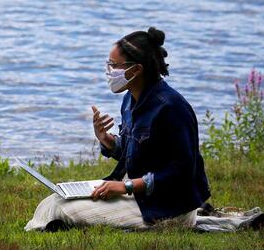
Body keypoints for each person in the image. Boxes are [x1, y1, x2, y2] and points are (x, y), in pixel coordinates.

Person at [25, 27, 211, 231]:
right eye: (108, 65)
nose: (109, 71)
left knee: (65, 210)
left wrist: (125, 186)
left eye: (114, 66)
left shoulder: (172, 107)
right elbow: (140, 151)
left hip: (168, 208)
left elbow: (182, 171)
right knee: (54, 201)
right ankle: (49, 227)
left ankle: (49, 229)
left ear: (136, 69)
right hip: (138, 196)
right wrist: (107, 140)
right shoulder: (130, 100)